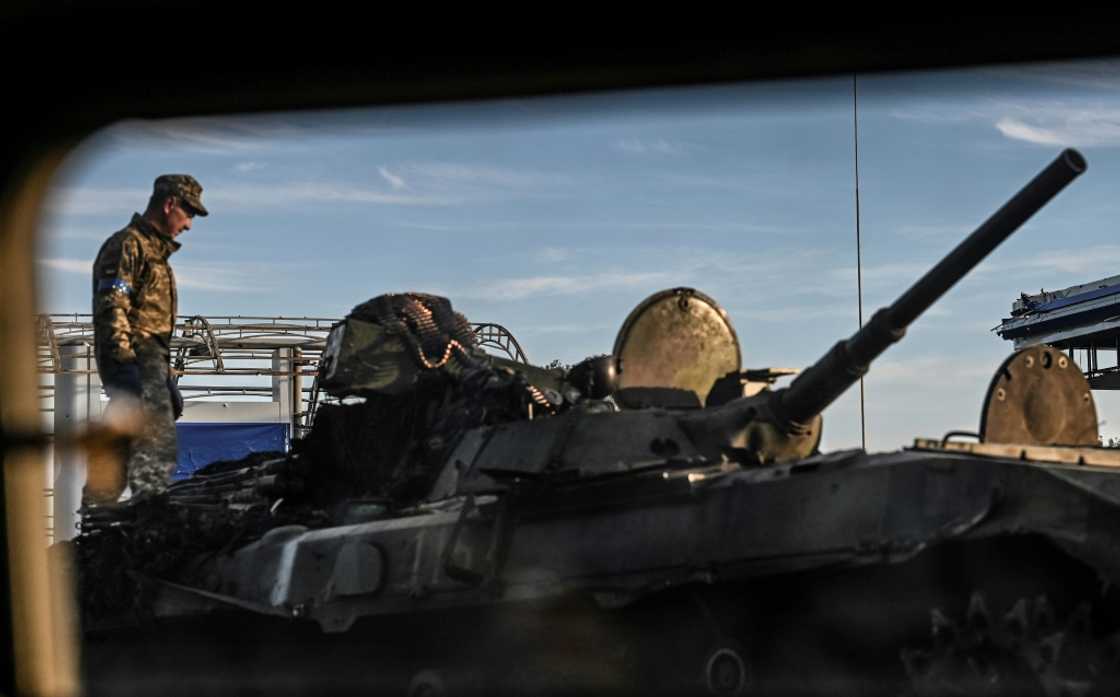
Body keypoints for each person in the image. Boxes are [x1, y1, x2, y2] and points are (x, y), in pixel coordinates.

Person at [83, 174, 208, 505]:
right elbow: (112, 307)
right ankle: (137, 510)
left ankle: (104, 506)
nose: (189, 224)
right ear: (169, 204)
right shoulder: (128, 245)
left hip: (150, 362)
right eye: (188, 213)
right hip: (132, 361)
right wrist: (126, 366)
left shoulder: (155, 255)